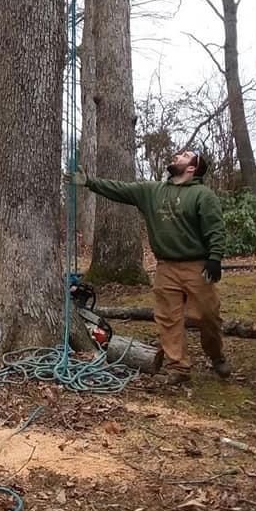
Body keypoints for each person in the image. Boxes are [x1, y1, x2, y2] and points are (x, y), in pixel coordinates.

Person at [67, 149, 230, 384]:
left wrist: (215, 258)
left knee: (208, 316)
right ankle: (179, 368)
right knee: (168, 318)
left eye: (185, 155)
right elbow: (120, 189)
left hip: (197, 266)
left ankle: (216, 356)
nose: (177, 155)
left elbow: (215, 228)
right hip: (166, 267)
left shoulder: (203, 195)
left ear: (192, 168)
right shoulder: (152, 191)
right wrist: (89, 182)